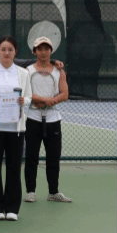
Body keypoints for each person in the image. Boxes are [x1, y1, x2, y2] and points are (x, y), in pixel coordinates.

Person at [0, 36, 33, 222]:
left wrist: (23, 101)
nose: (7, 52)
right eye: (3, 49)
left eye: (10, 49)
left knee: (14, 168)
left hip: (15, 128)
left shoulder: (23, 73)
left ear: (15, 51)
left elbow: (29, 97)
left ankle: (12, 208)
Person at [25, 37, 72, 204]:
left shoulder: (59, 71)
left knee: (53, 157)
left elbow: (64, 94)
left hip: (53, 119)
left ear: (51, 51)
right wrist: (46, 100)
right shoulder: (28, 71)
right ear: (34, 51)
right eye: (40, 49)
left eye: (46, 48)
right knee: (31, 157)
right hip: (32, 118)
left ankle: (53, 192)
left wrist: (49, 102)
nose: (43, 52)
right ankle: (30, 191)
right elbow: (26, 93)